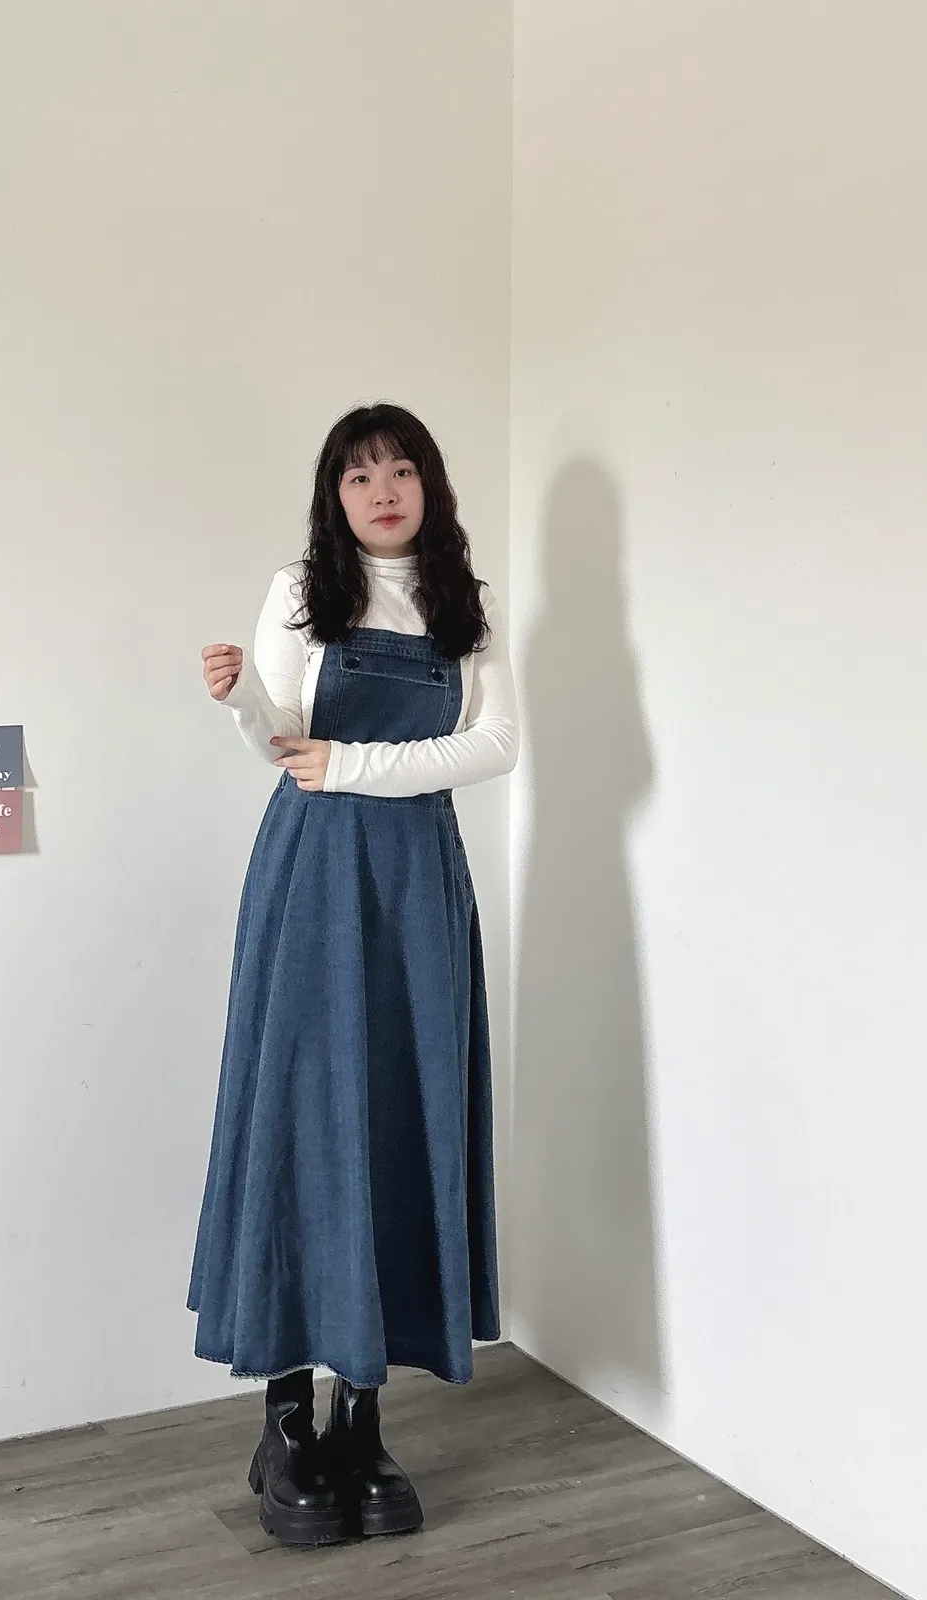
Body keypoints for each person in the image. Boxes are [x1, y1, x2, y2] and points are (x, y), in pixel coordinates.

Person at [188, 402, 520, 1547]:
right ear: (334, 496)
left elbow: (497, 744)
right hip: (313, 874)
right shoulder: (299, 591)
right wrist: (242, 696)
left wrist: (355, 763)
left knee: (397, 1116)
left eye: (401, 470)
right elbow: (285, 742)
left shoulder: (466, 601)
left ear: (431, 484)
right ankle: (286, 1418)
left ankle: (362, 1417)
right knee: (299, 1119)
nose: (383, 490)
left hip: (419, 883)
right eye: (359, 474)